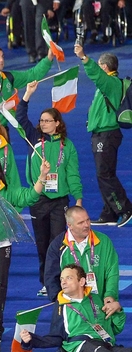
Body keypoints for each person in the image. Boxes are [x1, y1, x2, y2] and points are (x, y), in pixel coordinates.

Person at [17, 81, 83, 297]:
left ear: (57, 123)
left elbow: (72, 173)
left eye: (47, 121)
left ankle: (57, 281)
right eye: (41, 121)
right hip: (39, 199)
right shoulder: (33, 138)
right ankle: (46, 282)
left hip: (60, 201)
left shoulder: (67, 145)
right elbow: (20, 118)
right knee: (42, 244)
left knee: (58, 243)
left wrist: (79, 199)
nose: (43, 124)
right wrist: (27, 95)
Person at [0, 154, 49, 327]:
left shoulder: (7, 192)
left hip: (1, 245)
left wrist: (43, 176)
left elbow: (30, 196)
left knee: (0, 284)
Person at [74, 45, 132, 227]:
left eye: (99, 65)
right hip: (102, 134)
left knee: (104, 174)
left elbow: (96, 75)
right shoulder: (109, 85)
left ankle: (125, 209)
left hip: (106, 136)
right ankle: (110, 212)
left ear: (105, 67)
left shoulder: (110, 83)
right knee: (105, 173)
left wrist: (84, 57)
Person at [44, 206, 119, 305]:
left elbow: (112, 272)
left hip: (102, 305)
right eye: (81, 223)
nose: (86, 225)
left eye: (87, 220)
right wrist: (61, 302)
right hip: (72, 307)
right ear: (69, 225)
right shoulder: (58, 246)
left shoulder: (103, 241)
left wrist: (110, 295)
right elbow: (51, 277)